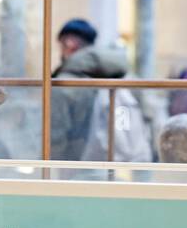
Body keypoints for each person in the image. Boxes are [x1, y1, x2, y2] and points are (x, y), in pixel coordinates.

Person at [51, 18, 140, 160]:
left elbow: (55, 137)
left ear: (70, 44)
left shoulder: (63, 83)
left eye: (61, 46)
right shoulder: (129, 77)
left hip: (76, 169)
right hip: (122, 164)